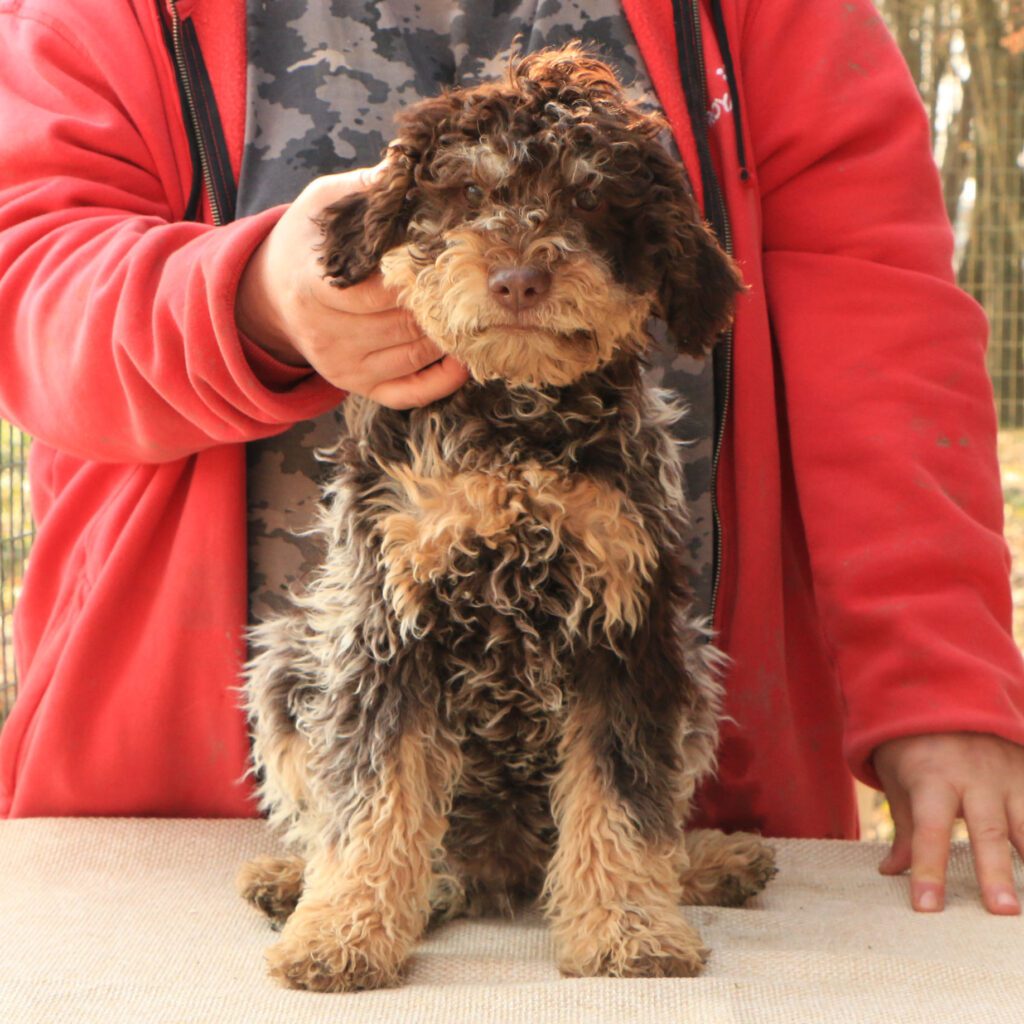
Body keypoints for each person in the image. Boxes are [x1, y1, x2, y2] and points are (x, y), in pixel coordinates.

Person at [1, 0, 1022, 921]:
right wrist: (249, 301)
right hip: (170, 830)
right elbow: (24, 277)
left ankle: (629, 855)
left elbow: (881, 330)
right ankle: (350, 848)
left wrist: (937, 683)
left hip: (674, 784)